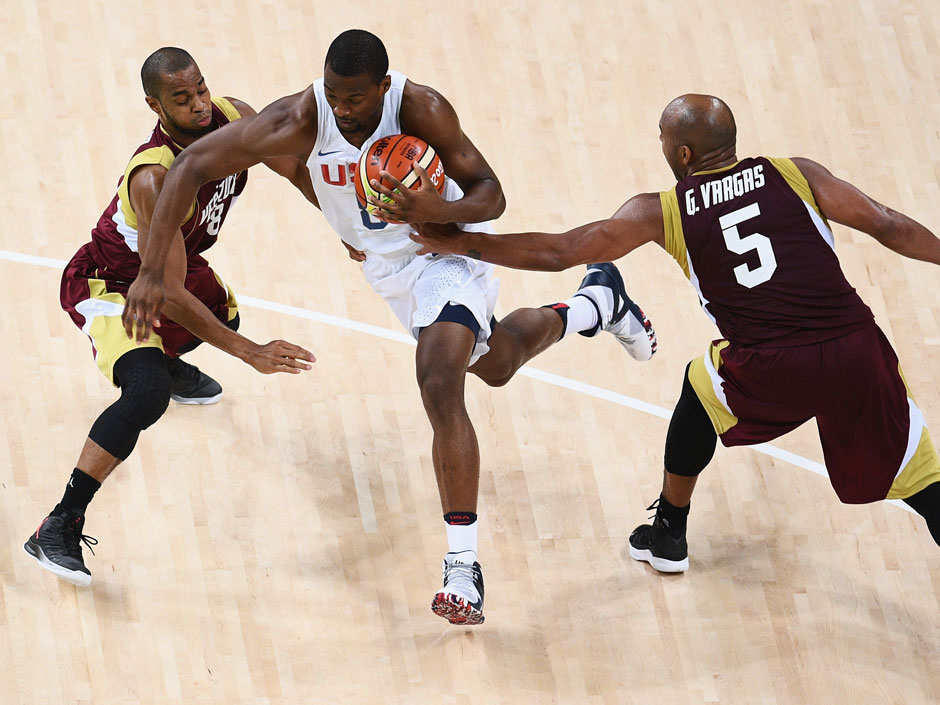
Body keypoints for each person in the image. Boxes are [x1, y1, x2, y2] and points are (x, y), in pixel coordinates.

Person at [120, 30, 657, 624]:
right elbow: (192, 164)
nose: (341, 110)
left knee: (438, 379)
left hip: (446, 249)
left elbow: (491, 194)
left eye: (353, 98)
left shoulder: (421, 107)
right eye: (332, 95)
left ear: (381, 87)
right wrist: (149, 271)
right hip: (387, 268)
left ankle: (462, 569)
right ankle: (594, 306)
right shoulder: (304, 115)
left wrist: (440, 212)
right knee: (496, 364)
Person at [411, 94, 940, 573]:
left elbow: (563, 251)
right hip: (855, 350)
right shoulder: (796, 173)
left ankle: (669, 532)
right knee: (922, 480)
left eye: (663, 138)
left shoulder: (665, 210)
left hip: (769, 367)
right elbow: (887, 224)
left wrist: (462, 244)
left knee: (700, 389)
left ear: (683, 154)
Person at [24, 48, 316, 587]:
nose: (201, 104)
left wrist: (350, 222)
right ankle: (59, 524)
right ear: (155, 107)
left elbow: (293, 164)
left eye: (202, 88)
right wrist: (252, 352)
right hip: (118, 283)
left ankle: (167, 355)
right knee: (147, 393)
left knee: (224, 310)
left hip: (178, 268)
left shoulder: (232, 116)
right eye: (183, 99)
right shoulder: (154, 178)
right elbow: (170, 292)